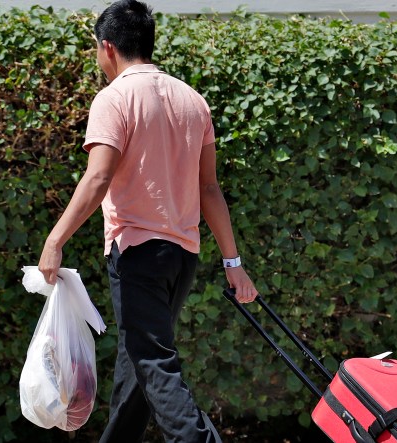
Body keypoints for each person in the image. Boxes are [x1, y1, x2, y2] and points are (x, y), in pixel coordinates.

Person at [38, 1, 259, 441]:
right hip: (183, 257)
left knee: (153, 362)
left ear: (108, 47)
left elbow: (98, 175)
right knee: (136, 360)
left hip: (138, 252)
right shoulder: (193, 101)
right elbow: (210, 189)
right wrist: (233, 263)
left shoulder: (115, 97)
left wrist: (55, 239)